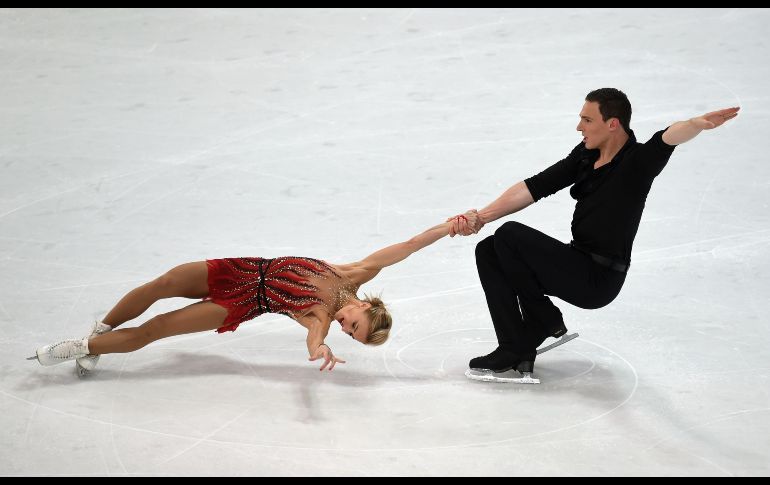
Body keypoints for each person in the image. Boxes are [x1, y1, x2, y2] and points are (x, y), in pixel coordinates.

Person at [447, 88, 739, 377]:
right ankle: (515, 345)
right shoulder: (586, 156)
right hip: (576, 261)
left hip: (599, 279)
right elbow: (534, 187)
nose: (579, 127)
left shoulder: (637, 163)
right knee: (488, 250)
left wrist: (696, 124)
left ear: (612, 124)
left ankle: (544, 318)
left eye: (587, 120)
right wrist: (481, 217)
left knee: (509, 235)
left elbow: (668, 137)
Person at [31, 212, 480, 374]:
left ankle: (79, 348)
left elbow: (313, 336)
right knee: (163, 284)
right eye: (356, 327)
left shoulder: (321, 317)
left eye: (350, 336)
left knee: (157, 329)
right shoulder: (355, 273)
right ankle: (104, 327)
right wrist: (449, 227)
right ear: (366, 305)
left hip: (241, 301)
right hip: (241, 267)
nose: (345, 329)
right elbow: (408, 245)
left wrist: (318, 345)